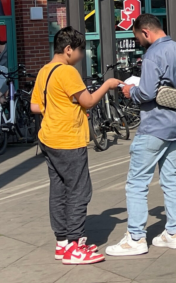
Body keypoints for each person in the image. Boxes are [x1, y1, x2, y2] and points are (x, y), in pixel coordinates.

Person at [106, 14, 176, 257]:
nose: (139, 42)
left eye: (138, 37)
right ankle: (174, 233)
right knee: (171, 179)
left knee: (137, 183)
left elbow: (145, 93)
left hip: (155, 126)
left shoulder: (153, 54)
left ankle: (135, 238)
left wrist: (129, 90)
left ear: (146, 32)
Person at [30, 27, 122, 265]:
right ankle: (75, 244)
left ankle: (62, 243)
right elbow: (89, 102)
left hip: (49, 138)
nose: (82, 55)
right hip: (68, 139)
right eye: (80, 50)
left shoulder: (44, 71)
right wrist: (108, 85)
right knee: (80, 191)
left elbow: (35, 107)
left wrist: (60, 105)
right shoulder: (67, 72)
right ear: (68, 49)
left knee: (59, 190)